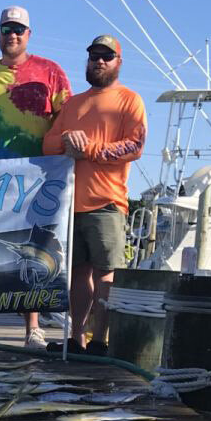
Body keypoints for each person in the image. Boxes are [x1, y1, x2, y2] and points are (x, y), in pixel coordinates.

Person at [0, 5, 71, 352]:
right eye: (6, 29)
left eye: (18, 30)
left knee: (34, 251)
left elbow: (65, 119)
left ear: (29, 35)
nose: (12, 35)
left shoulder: (50, 71)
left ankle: (33, 330)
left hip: (37, 179)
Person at [44, 35, 146, 355]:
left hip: (107, 202)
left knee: (106, 273)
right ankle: (77, 337)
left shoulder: (130, 100)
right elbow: (48, 145)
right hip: (71, 203)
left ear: (118, 62)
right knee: (76, 275)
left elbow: (135, 146)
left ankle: (101, 339)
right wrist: (66, 141)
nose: (98, 61)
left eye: (106, 56)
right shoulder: (73, 103)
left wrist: (90, 149)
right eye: (93, 56)